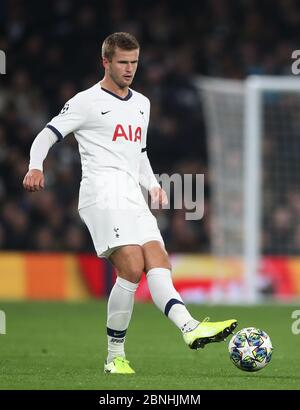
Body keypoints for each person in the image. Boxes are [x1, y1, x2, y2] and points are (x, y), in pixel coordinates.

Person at [23, 32, 237, 374]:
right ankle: (114, 357)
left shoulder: (142, 103)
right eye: (122, 62)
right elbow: (46, 135)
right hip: (100, 193)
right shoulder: (85, 102)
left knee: (159, 260)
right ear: (105, 62)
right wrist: (36, 166)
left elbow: (139, 153)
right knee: (132, 266)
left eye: (134, 62)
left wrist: (152, 185)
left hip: (131, 194)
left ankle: (190, 327)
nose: (129, 69)